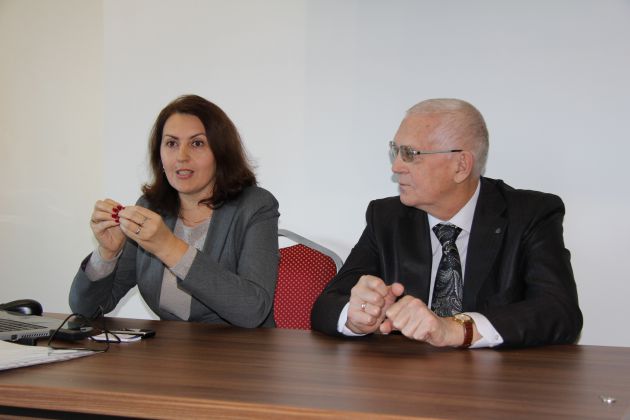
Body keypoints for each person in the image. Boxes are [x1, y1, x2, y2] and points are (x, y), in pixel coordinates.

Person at [311, 98, 582, 348]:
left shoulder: (530, 214)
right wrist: (356, 317)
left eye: (410, 153)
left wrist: (456, 329)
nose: (396, 166)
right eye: (395, 150)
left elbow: (560, 312)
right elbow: (326, 306)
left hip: (497, 379)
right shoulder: (386, 217)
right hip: (408, 377)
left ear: (461, 165)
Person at [70, 94, 279, 327]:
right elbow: (87, 309)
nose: (181, 156)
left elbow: (253, 311)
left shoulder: (255, 206)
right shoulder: (150, 208)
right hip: (169, 348)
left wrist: (167, 246)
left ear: (221, 152)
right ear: (159, 154)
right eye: (171, 143)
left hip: (240, 348)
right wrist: (107, 254)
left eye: (197, 143)